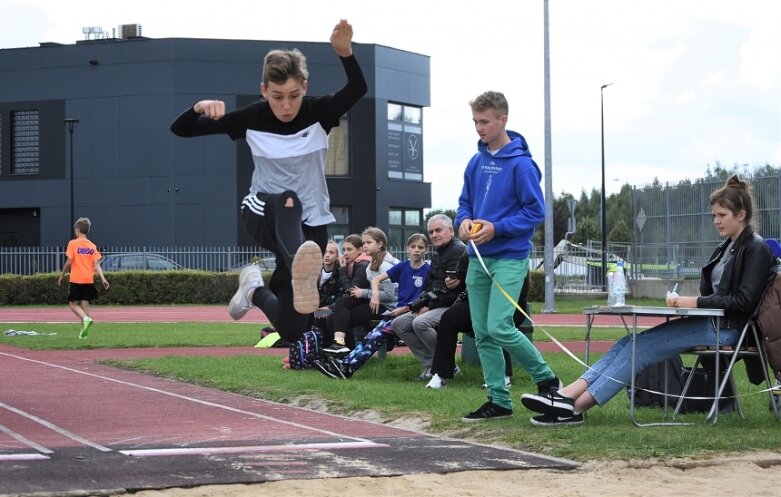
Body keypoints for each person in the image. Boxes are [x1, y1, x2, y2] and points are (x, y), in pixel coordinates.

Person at [169, 20, 367, 345]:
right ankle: (297, 265)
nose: (286, 106)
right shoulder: (251, 119)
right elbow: (182, 129)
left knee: (293, 331)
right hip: (263, 210)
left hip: (311, 225)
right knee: (287, 198)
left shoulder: (320, 112)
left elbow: (357, 89)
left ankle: (254, 290)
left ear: (304, 86)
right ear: (264, 91)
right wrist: (198, 108)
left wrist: (345, 53)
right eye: (277, 97)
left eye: (293, 95)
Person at [521, 174, 776, 426]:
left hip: (730, 330)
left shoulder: (756, 248)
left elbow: (743, 302)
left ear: (741, 215)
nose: (716, 221)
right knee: (627, 342)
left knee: (640, 350)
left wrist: (693, 302)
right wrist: (693, 304)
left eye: (722, 215)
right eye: (714, 216)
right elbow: (720, 295)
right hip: (711, 324)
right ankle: (566, 396)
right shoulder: (726, 247)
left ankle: (575, 408)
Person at [455, 90, 562, 422]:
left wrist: (496, 228)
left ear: (503, 120)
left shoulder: (522, 165)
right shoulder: (475, 162)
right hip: (477, 259)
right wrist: (463, 223)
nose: (479, 128)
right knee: (482, 332)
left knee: (500, 326)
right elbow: (464, 204)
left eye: (484, 121)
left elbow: (536, 212)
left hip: (510, 258)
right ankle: (498, 400)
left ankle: (547, 379)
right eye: (475, 121)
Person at [315, 233, 431, 379]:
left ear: (426, 250)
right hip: (396, 313)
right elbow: (376, 279)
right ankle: (344, 364)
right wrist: (374, 294)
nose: (416, 250)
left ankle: (346, 366)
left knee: (375, 336)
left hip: (408, 312)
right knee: (371, 337)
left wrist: (405, 308)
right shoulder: (402, 266)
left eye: (420, 247)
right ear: (407, 248)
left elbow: (423, 297)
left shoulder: (428, 270)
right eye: (413, 247)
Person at [426, 255, 532, 389]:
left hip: (509, 304)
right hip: (479, 302)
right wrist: (455, 283)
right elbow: (464, 280)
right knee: (448, 319)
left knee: (495, 323)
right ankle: (441, 375)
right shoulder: (471, 252)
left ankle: (503, 377)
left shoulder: (508, 251)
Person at [391, 214, 466, 380]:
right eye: (431, 232)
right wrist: (417, 306)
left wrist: (427, 307)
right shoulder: (439, 252)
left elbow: (452, 291)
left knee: (420, 322)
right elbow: (430, 287)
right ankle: (431, 364)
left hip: (454, 305)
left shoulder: (457, 251)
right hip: (437, 303)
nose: (434, 235)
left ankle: (447, 364)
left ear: (450, 230)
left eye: (438, 230)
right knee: (398, 324)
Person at [323, 227, 398, 355]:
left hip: (389, 307)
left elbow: (390, 296)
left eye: (369, 243)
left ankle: (346, 351)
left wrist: (363, 292)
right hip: (375, 302)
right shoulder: (371, 265)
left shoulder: (383, 265)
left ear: (380, 244)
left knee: (338, 316)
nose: (365, 246)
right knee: (337, 311)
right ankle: (341, 347)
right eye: (363, 243)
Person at [57, 217, 110, 339]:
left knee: (73, 304)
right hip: (88, 279)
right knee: (85, 304)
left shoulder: (73, 243)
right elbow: (96, 264)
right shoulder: (92, 246)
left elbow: (69, 262)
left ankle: (86, 319)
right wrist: (103, 279)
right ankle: (84, 333)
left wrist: (61, 276)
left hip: (77, 278)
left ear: (77, 230)